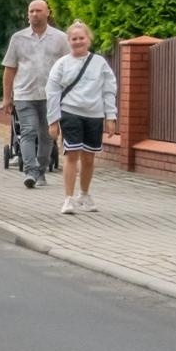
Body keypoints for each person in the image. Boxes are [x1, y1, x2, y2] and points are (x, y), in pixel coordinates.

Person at [46, 21, 118, 215]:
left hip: (94, 114)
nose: (78, 42)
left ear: (88, 40)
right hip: (71, 113)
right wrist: (53, 121)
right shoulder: (62, 64)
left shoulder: (100, 63)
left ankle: (84, 194)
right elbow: (52, 92)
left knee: (88, 157)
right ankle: (68, 199)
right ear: (68, 41)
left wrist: (110, 116)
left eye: (81, 38)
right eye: (73, 39)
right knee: (72, 154)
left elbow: (109, 89)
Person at [1, 0, 71, 190]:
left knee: (47, 135)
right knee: (28, 131)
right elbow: (9, 69)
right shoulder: (18, 38)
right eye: (31, 11)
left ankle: (41, 170)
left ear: (47, 13)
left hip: (51, 96)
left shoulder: (60, 38)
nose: (34, 14)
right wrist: (7, 97)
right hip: (25, 95)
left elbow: (69, 67)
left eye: (38, 11)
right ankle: (30, 171)